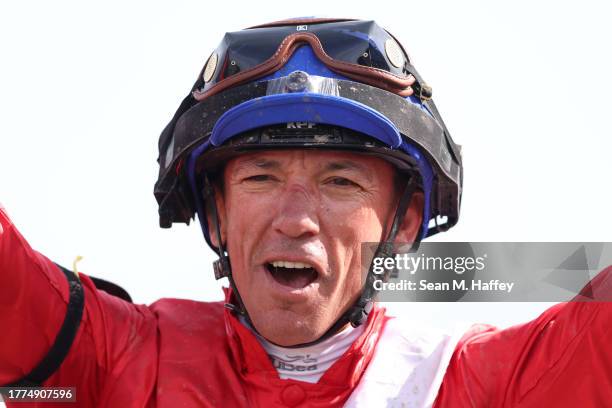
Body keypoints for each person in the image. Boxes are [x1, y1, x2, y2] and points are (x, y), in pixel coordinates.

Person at [1, 17, 610, 407]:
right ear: (215, 214)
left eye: (341, 181)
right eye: (261, 177)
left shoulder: (478, 384)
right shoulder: (111, 362)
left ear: (401, 223)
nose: (296, 220)